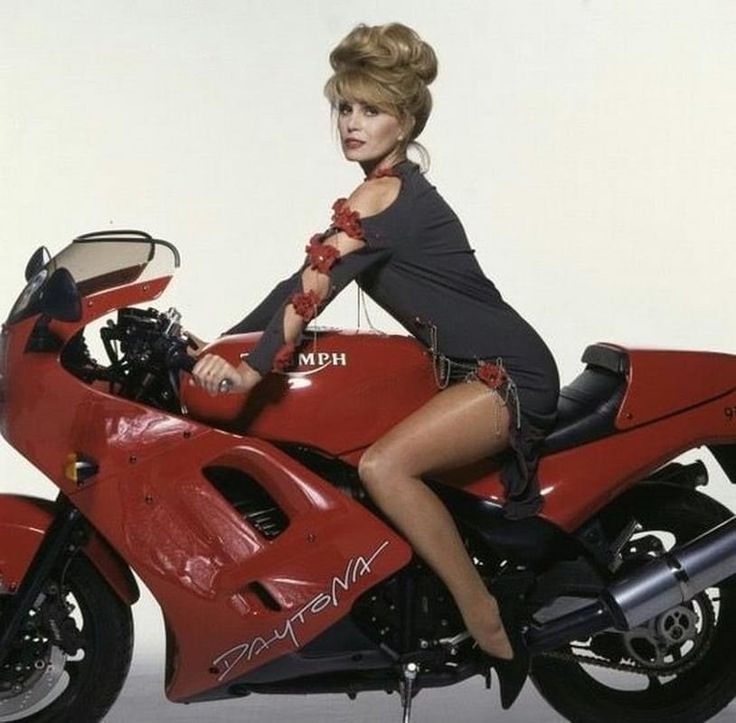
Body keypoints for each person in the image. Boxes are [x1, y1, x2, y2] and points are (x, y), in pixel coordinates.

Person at [191, 22, 559, 708]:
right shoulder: (384, 188)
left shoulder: (380, 195)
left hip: (504, 371)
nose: (352, 123)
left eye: (371, 109)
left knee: (383, 465)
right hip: (473, 370)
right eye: (344, 107)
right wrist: (226, 344)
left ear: (407, 118)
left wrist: (248, 372)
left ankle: (487, 620)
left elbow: (310, 290)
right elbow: (300, 282)